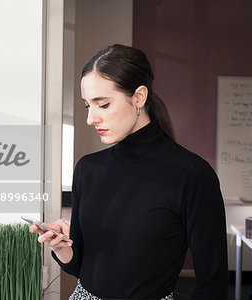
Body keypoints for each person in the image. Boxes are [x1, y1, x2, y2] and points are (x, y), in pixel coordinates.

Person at [29, 44, 228, 300]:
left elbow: (213, 283)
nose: (91, 119)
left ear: (139, 97)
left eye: (103, 105)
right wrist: (62, 248)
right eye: (87, 106)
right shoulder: (87, 169)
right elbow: (81, 268)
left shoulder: (193, 175)